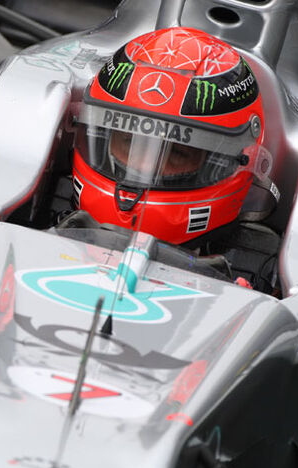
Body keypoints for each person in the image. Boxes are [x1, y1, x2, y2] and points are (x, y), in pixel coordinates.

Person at [69, 27, 280, 291]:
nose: (143, 167)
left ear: (238, 161)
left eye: (176, 153)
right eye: (128, 142)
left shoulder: (265, 264)